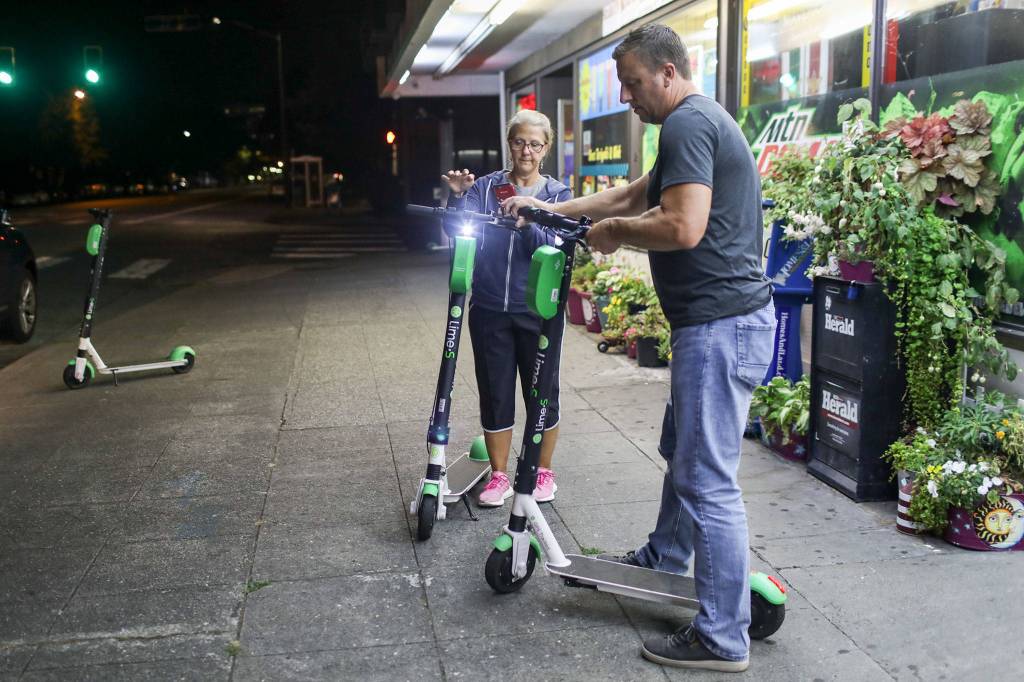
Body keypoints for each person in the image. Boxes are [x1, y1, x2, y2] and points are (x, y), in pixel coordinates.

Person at [502, 24, 775, 674]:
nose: (625, 96)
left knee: (709, 479)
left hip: (721, 325)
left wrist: (613, 234)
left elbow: (681, 225)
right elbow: (630, 195)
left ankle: (722, 636)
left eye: (631, 82)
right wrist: (549, 209)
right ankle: (666, 558)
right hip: (716, 326)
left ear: (668, 73)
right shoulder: (693, 123)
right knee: (683, 453)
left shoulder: (688, 124)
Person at [442, 109, 573, 507]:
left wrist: (530, 224)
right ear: (509, 143)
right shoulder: (485, 187)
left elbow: (560, 248)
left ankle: (540, 471)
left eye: (535, 144)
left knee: (542, 393)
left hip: (539, 311)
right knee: (495, 393)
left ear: (546, 148)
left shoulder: (558, 195)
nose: (526, 151)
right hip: (489, 309)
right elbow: (456, 230)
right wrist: (458, 197)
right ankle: (499, 476)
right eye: (519, 142)